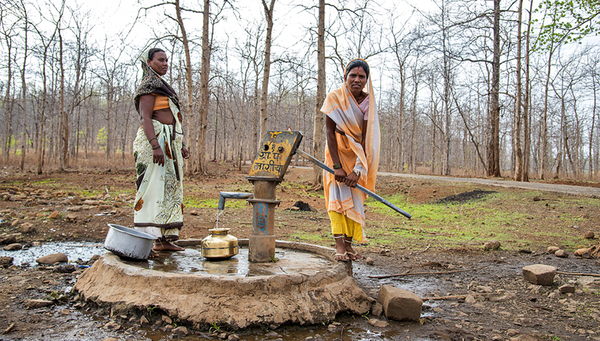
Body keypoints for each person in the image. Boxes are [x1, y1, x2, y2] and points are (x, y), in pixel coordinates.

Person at [321, 59, 380, 261]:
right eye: (352, 75)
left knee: (354, 201)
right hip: (335, 153)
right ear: (344, 77)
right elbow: (329, 134)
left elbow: (366, 139)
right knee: (337, 200)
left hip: (358, 157)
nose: (357, 79)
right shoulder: (334, 98)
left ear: (366, 80)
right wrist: (336, 167)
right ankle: (339, 246)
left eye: (361, 76)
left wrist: (357, 170)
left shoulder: (368, 102)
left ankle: (349, 245)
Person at [132, 48, 190, 254]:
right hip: (155, 142)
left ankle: (164, 239)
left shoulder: (163, 86)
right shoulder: (149, 87)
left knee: (170, 190)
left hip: (170, 142)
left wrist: (181, 144)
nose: (165, 63)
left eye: (167, 60)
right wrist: (155, 145)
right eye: (160, 60)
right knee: (154, 189)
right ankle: (152, 238)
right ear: (149, 62)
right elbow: (145, 118)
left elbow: (173, 116)